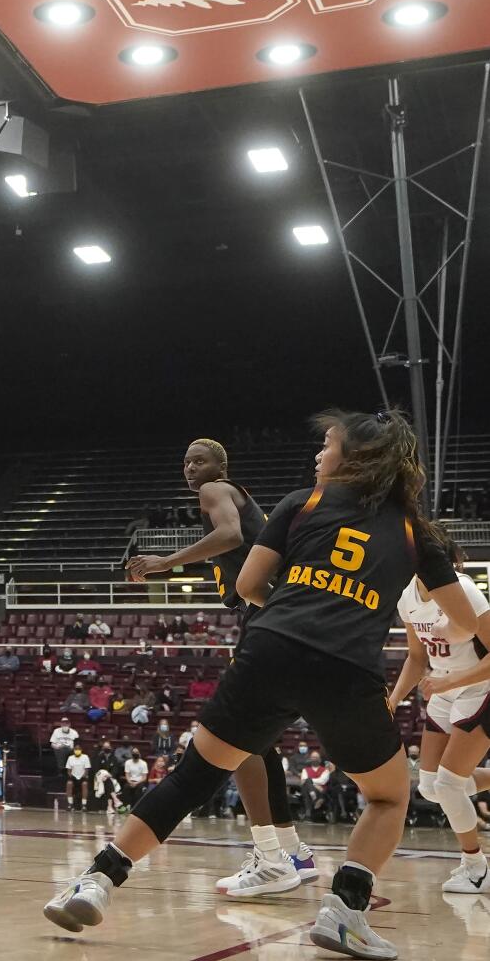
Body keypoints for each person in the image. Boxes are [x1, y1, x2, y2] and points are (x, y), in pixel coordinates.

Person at [45, 409, 481, 959]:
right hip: (345, 670)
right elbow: (466, 623)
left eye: (328, 446)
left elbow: (250, 584)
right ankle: (345, 909)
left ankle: (97, 881)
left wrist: (302, 608)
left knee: (192, 777)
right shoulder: (414, 531)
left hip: (269, 646)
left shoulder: (301, 503)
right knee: (390, 795)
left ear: (354, 458)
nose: (318, 455)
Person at [126, 438, 314, 896]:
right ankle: (295, 852)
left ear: (219, 466)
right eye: (186, 461)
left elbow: (229, 536)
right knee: (259, 743)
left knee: (238, 738)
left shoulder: (215, 491)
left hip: (265, 618)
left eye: (200, 460)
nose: (191, 468)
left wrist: (164, 563)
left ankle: (270, 857)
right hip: (274, 612)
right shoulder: (237, 495)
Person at [388, 527, 490, 893]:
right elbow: (417, 658)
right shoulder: (407, 597)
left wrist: (448, 682)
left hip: (482, 688)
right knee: (432, 787)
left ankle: (477, 868)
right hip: (445, 691)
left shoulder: (462, 590)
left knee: (449, 784)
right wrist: (394, 698)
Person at [66, 744, 92, 811]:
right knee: (69, 784)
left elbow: (87, 770)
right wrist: (72, 776)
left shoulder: (85, 757)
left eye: (78, 749)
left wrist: (82, 777)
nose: (77, 751)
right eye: (76, 749)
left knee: (84, 784)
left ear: (81, 750)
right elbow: (69, 771)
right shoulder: (70, 758)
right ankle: (70, 804)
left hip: (83, 777)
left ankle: (84, 805)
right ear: (74, 750)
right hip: (73, 777)